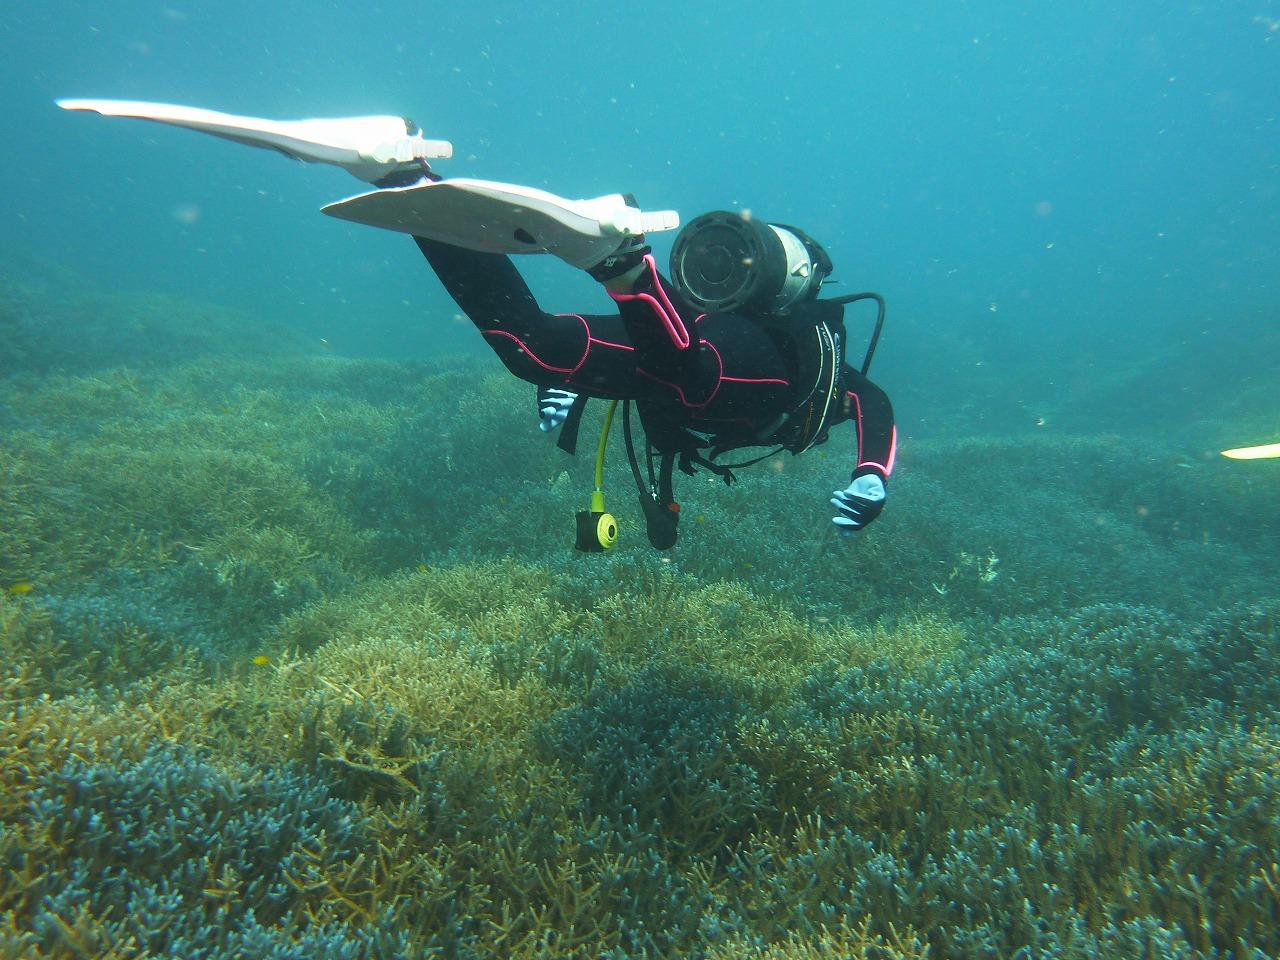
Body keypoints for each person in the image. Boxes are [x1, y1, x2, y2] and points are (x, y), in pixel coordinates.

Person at [56, 99, 897, 541]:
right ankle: (622, 264)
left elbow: (859, 402)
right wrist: (872, 474)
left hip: (672, 336)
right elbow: (872, 402)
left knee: (533, 349)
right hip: (714, 362)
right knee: (694, 378)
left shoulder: (804, 352)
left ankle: (399, 170)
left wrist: (580, 383)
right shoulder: (814, 377)